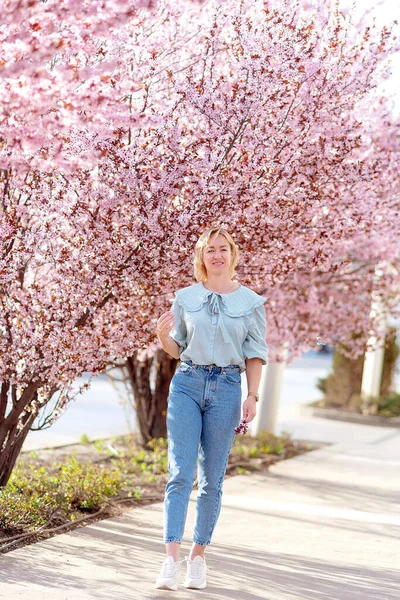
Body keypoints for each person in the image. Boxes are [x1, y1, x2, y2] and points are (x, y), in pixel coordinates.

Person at [154, 226, 269, 591]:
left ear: (232, 255)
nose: (217, 255)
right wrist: (162, 338)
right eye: (210, 250)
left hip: (227, 389)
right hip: (187, 383)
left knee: (211, 481)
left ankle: (197, 558)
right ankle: (170, 560)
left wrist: (252, 396)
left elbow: (255, 354)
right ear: (202, 257)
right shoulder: (185, 298)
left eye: (223, 249)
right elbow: (178, 348)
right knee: (179, 472)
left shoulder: (251, 303)